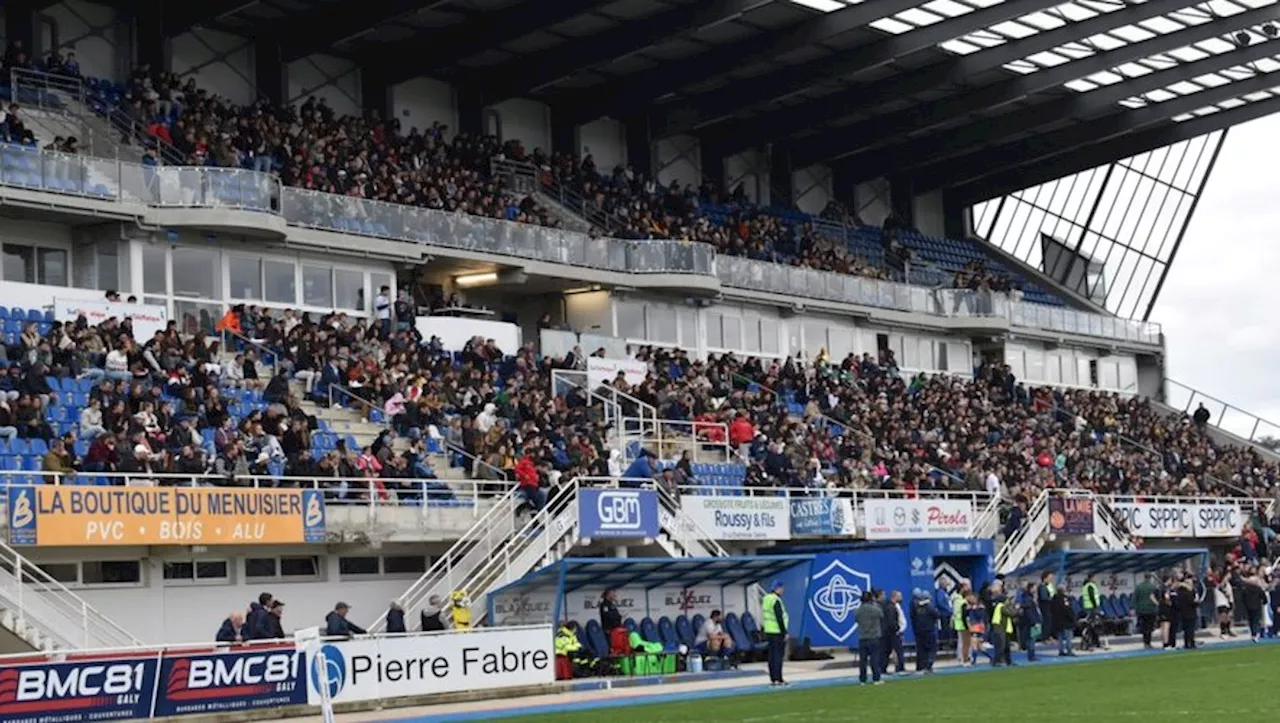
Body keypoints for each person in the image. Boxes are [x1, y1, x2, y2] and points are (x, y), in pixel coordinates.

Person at [760, 579, 789, 686]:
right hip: (777, 631)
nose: (783, 590)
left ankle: (773, 678)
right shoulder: (776, 600)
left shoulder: (766, 599)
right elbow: (779, 618)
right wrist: (784, 632)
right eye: (781, 588)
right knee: (778, 656)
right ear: (777, 588)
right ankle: (779, 678)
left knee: (771, 656)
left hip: (769, 631)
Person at [854, 591, 884, 685]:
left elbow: (856, 619)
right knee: (875, 659)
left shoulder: (857, 610)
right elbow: (881, 615)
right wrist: (875, 603)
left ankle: (863, 679)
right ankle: (876, 678)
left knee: (863, 661)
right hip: (874, 637)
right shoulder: (875, 609)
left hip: (863, 637)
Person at [911, 590, 940, 674]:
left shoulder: (917, 607)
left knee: (922, 649)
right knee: (932, 648)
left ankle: (923, 666)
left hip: (920, 630)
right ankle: (929, 664)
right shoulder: (929, 606)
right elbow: (936, 615)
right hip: (929, 629)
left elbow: (914, 617)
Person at [881, 590, 906, 676]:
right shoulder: (891, 607)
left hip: (890, 633)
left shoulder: (892, 606)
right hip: (893, 633)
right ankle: (900, 667)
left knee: (887, 651)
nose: (901, 598)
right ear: (895, 596)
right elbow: (891, 621)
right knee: (898, 651)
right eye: (900, 596)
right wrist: (897, 628)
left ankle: (883, 668)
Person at [1133, 573, 1160, 649]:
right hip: (1151, 610)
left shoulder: (1138, 587)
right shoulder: (1153, 587)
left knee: (1144, 626)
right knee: (1150, 627)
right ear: (1150, 578)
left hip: (1141, 610)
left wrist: (1135, 608)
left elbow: (1135, 598)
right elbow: (1157, 598)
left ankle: (1145, 642)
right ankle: (1148, 642)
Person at [1017, 582, 1040, 662]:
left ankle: (1031, 655)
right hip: (1032, 622)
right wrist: (1035, 622)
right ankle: (1031, 655)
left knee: (1031, 638)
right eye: (1034, 588)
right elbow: (1030, 612)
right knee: (1032, 639)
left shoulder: (1028, 598)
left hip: (1030, 621)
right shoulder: (1029, 599)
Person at [1051, 583, 1075, 657]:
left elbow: (1051, 610)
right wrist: (1073, 618)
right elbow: (1067, 609)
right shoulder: (1064, 599)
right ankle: (1069, 651)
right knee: (1068, 637)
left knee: (1060, 637)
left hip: (1057, 621)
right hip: (1066, 621)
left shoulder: (1053, 599)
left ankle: (1061, 650)